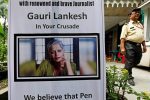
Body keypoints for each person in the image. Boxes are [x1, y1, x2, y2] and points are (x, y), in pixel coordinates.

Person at [120, 8, 147, 86]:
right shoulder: (127, 25)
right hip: (129, 45)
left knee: (137, 60)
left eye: (138, 13)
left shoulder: (140, 25)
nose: (137, 14)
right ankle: (129, 77)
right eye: (135, 13)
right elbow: (122, 38)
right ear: (130, 15)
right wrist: (122, 47)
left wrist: (144, 46)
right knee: (130, 60)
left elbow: (142, 37)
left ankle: (126, 69)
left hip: (138, 45)